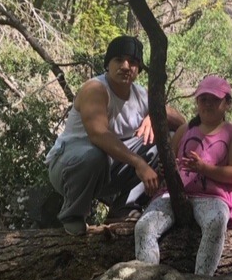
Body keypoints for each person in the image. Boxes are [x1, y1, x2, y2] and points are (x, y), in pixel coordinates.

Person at [46, 35, 185, 235]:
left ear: (139, 68)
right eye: (119, 60)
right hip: (70, 166)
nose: (126, 66)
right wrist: (139, 163)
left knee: (164, 138)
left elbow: (183, 123)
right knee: (94, 154)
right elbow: (99, 135)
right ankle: (73, 215)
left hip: (108, 169)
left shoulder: (140, 94)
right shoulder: (95, 89)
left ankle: (124, 208)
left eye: (133, 62)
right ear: (108, 64)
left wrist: (155, 116)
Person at [134, 76, 232, 276]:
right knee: (144, 226)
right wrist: (164, 171)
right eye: (203, 99)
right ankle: (148, 279)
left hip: (213, 197)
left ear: (227, 103)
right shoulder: (184, 130)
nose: (208, 104)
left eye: (214, 99)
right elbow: (169, 162)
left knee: (216, 222)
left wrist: (204, 168)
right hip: (174, 193)